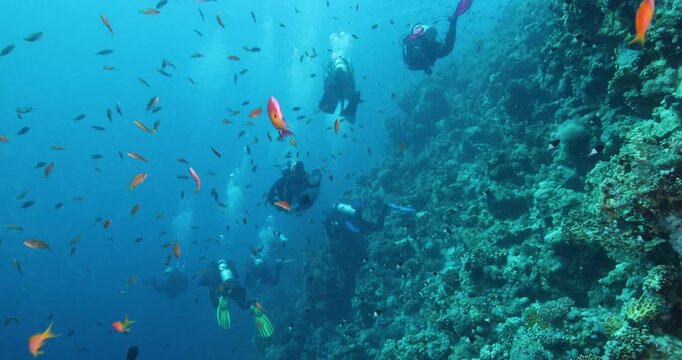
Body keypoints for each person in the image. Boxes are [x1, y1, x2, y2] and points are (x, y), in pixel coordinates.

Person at [198, 259, 274, 338]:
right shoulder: (229, 268)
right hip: (232, 288)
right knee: (243, 305)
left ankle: (221, 299)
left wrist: (209, 283)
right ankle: (253, 305)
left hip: (220, 291)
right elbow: (237, 277)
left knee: (215, 304)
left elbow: (199, 283)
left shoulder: (212, 273)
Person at [401, 0, 473, 75]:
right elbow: (448, 46)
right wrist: (453, 22)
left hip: (426, 55)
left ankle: (453, 19)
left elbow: (410, 63)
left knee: (446, 48)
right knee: (447, 48)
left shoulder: (423, 47)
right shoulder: (423, 46)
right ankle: (453, 19)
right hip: (428, 54)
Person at [319, 56, 362, 123]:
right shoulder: (345, 65)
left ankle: (348, 112)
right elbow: (352, 79)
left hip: (335, 84)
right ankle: (348, 113)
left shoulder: (331, 66)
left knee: (324, 107)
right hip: (346, 84)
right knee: (356, 95)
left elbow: (326, 84)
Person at [324, 200, 389, 239]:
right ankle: (385, 207)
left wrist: (360, 232)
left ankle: (386, 207)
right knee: (377, 228)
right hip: (355, 217)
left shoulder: (335, 221)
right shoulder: (334, 218)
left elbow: (348, 225)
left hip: (356, 221)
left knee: (378, 228)